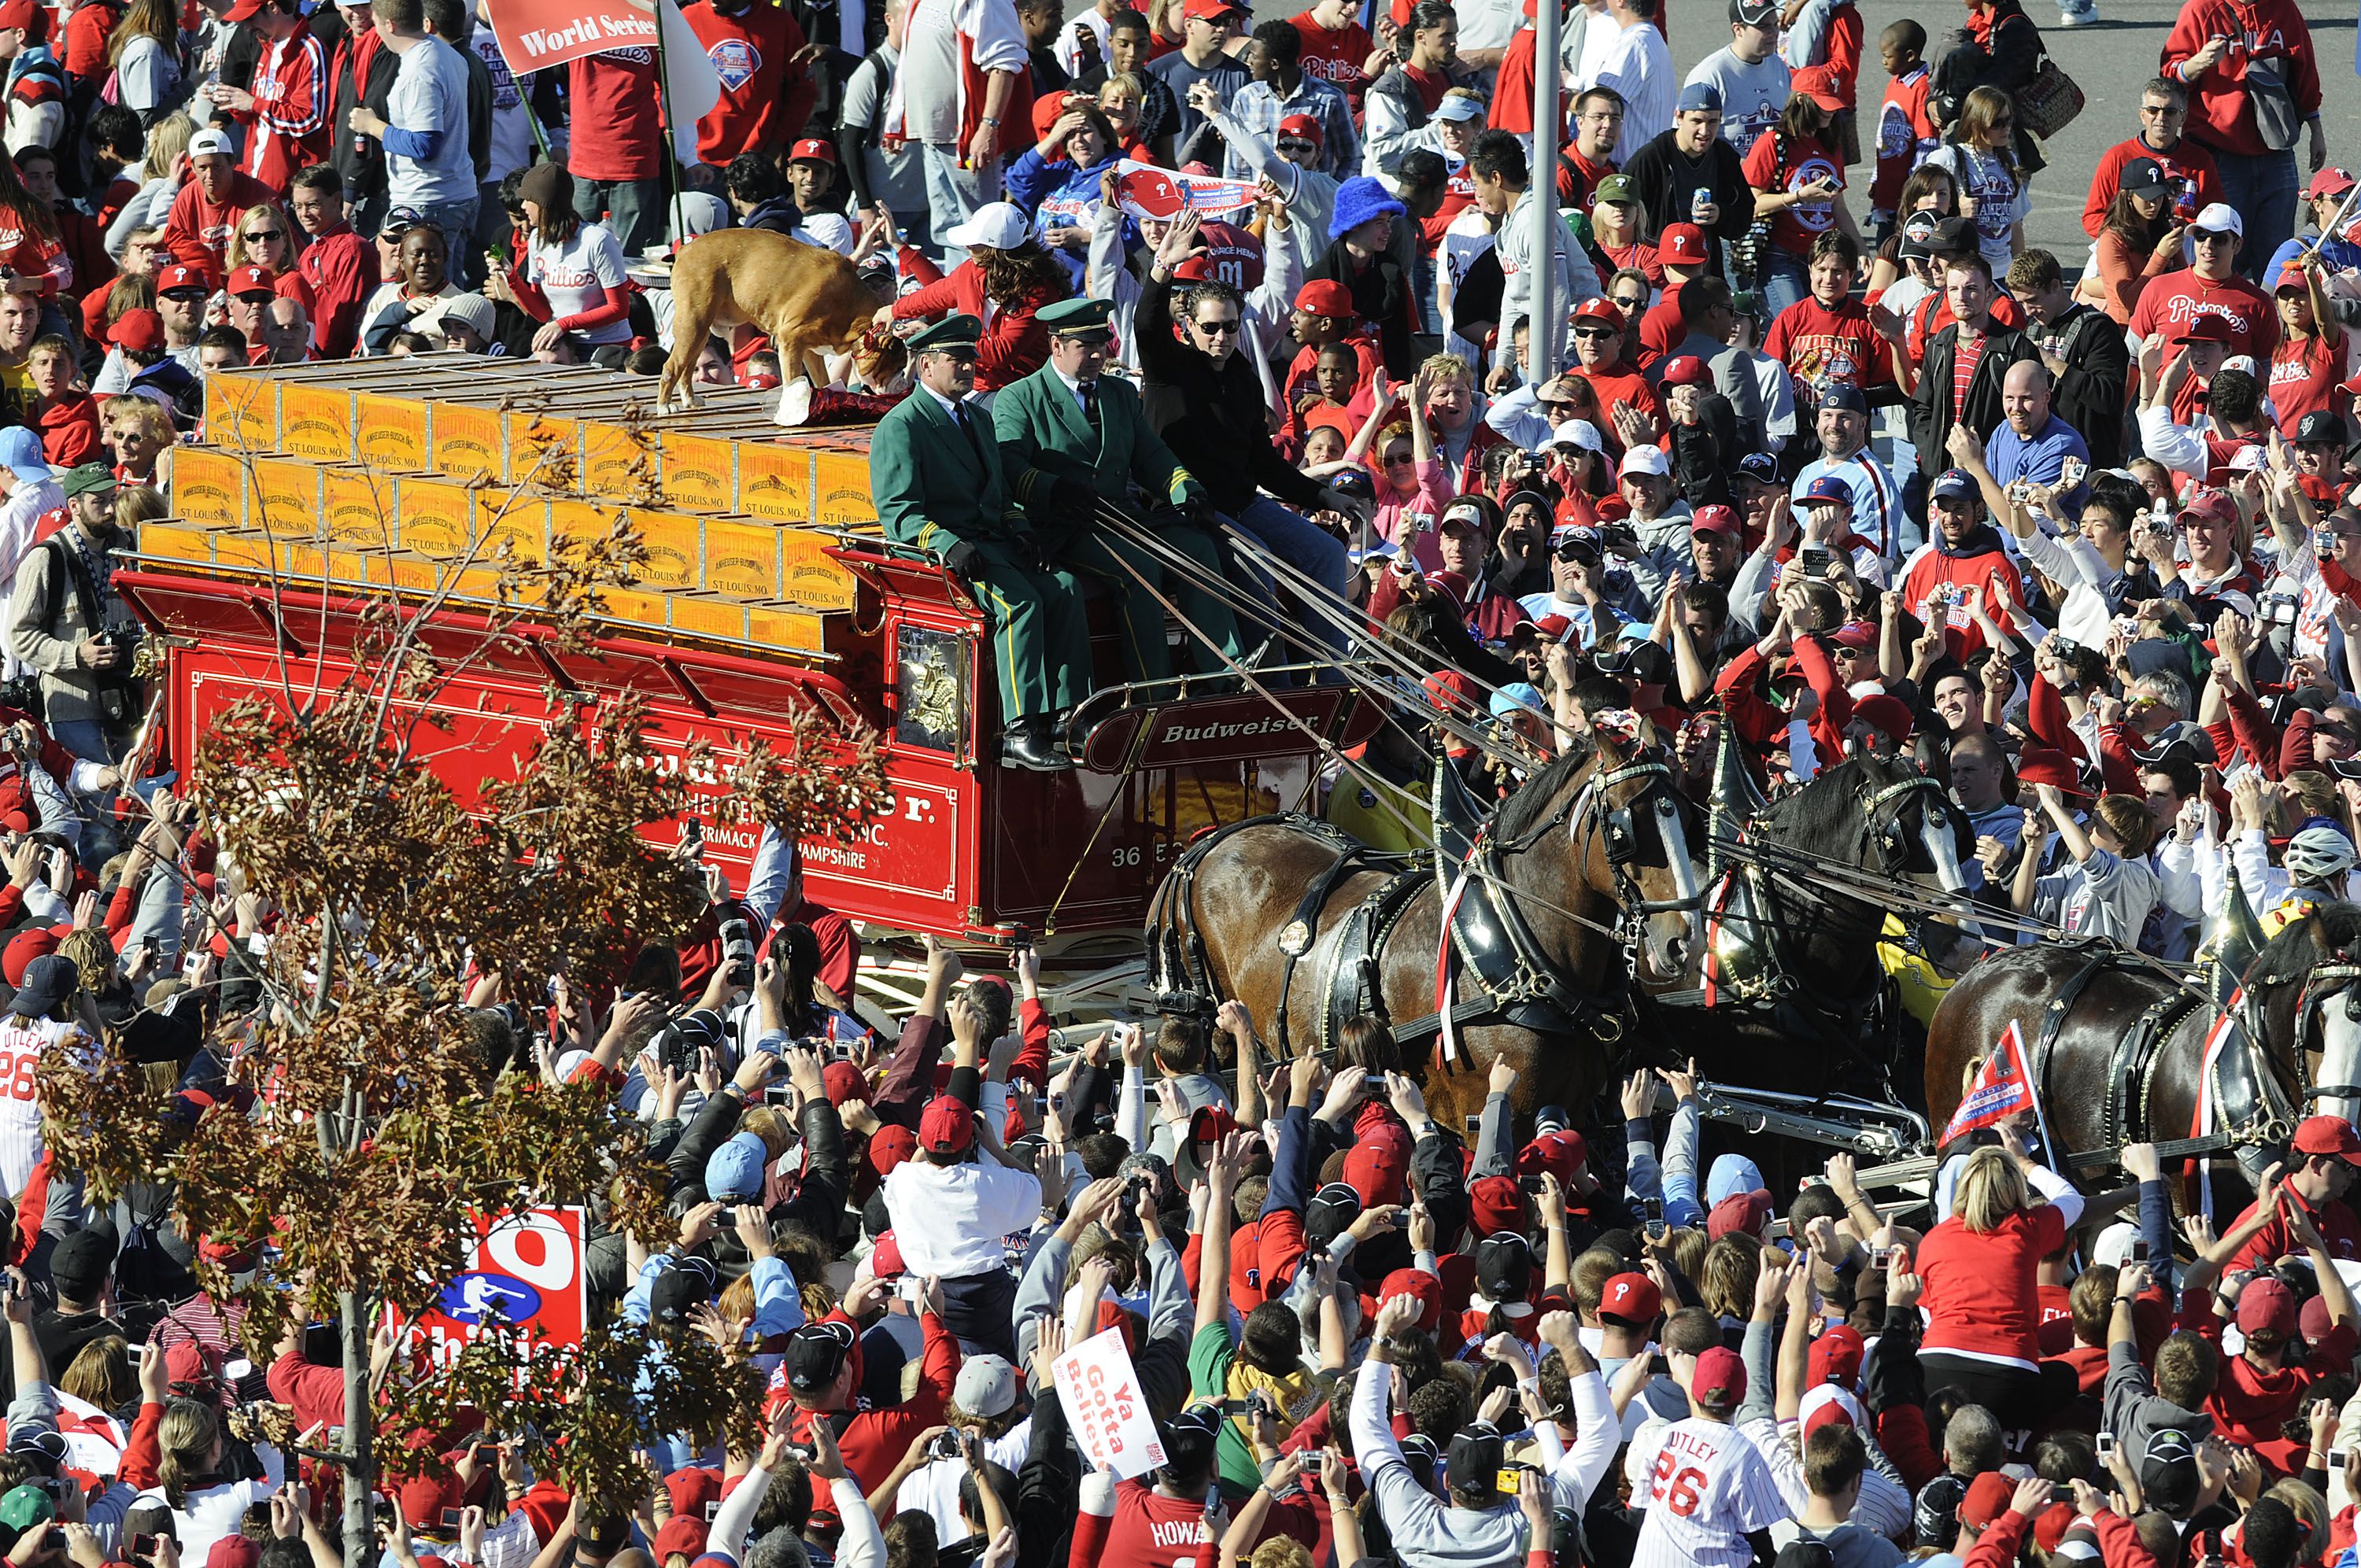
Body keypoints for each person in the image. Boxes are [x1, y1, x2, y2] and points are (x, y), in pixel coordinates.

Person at [1136, 211, 1359, 665]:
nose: (1222, 337)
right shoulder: (1169, 369)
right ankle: (1270, 682)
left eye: (1231, 326)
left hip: (1242, 503)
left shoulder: (1242, 377)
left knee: (1325, 554)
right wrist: (1162, 269)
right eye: (1211, 328)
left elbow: (1263, 463)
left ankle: (1327, 672)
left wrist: (1323, 496)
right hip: (1184, 510)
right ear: (1189, 328)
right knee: (1259, 565)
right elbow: (1145, 325)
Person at [870, 313, 1087, 772]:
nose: (967, 368)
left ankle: (1069, 716)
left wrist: (1021, 527)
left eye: (970, 359)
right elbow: (899, 512)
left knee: (1066, 587)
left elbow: (1000, 495)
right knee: (1020, 605)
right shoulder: (902, 425)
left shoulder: (977, 417)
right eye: (956, 359)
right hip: (954, 556)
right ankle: (1021, 729)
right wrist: (947, 543)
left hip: (993, 543)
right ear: (926, 365)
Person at [992, 295, 1246, 684]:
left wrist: (1187, 490)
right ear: (1056, 345)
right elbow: (1008, 465)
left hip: (1121, 517)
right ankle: (1153, 689)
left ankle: (1227, 671)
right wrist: (1053, 488)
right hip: (1063, 527)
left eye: (1101, 344)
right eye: (1085, 346)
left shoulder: (1119, 393)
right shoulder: (1020, 397)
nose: (1097, 355)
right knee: (1138, 567)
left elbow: (1151, 455)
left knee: (1198, 546)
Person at [2159, 0, 2322, 275]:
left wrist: (2316, 129)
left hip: (2276, 149)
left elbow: (2304, 71)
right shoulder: (2200, 9)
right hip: (2218, 152)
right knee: (2222, 249)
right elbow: (2168, 76)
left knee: (2275, 253)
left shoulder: (2282, 8)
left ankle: (2270, 314)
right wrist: (2196, 64)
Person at [6, 463, 137, 765]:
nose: (109, 510)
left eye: (112, 499)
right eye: (98, 502)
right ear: (74, 506)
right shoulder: (46, 558)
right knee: (95, 805)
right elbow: (19, 635)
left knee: (132, 802)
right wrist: (76, 655)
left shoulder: (130, 549)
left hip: (127, 701)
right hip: (72, 708)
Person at [885, 0, 1029, 264]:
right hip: (932, 137)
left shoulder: (987, 3)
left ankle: (984, 299)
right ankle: (960, 299)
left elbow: (1005, 65)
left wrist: (988, 126)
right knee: (948, 231)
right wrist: (897, 123)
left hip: (965, 141)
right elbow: (909, 59)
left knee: (982, 235)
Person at [1623, 83, 1752, 280]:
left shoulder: (1724, 157)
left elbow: (1744, 212)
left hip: (1705, 270)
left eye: (1712, 122)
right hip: (1659, 270)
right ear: (1679, 117)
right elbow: (1623, 211)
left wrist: (1721, 214)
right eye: (1697, 121)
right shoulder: (1652, 158)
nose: (1705, 130)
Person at [2081, 77, 2222, 240]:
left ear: (2183, 118)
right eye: (2153, 110)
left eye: (2170, 112)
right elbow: (2093, 217)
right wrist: (2135, 234)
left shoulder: (2200, 161)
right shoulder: (2118, 157)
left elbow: (2216, 216)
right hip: (2131, 247)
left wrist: (2186, 228)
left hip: (2183, 245)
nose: (2161, 118)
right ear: (2142, 115)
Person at [1225, 20, 1354, 183]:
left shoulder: (1329, 99)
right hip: (1260, 206)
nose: (1248, 61)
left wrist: (1331, 194)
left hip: (1312, 206)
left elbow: (1352, 157)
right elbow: (1236, 166)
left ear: (1274, 64)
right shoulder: (1246, 98)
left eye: (1254, 56)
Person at [1684, 0, 1789, 153]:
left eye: (1775, 24)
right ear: (1738, 29)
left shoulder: (1778, 66)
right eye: (1763, 26)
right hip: (1728, 175)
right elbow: (1687, 140)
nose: (1773, 32)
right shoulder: (1711, 74)